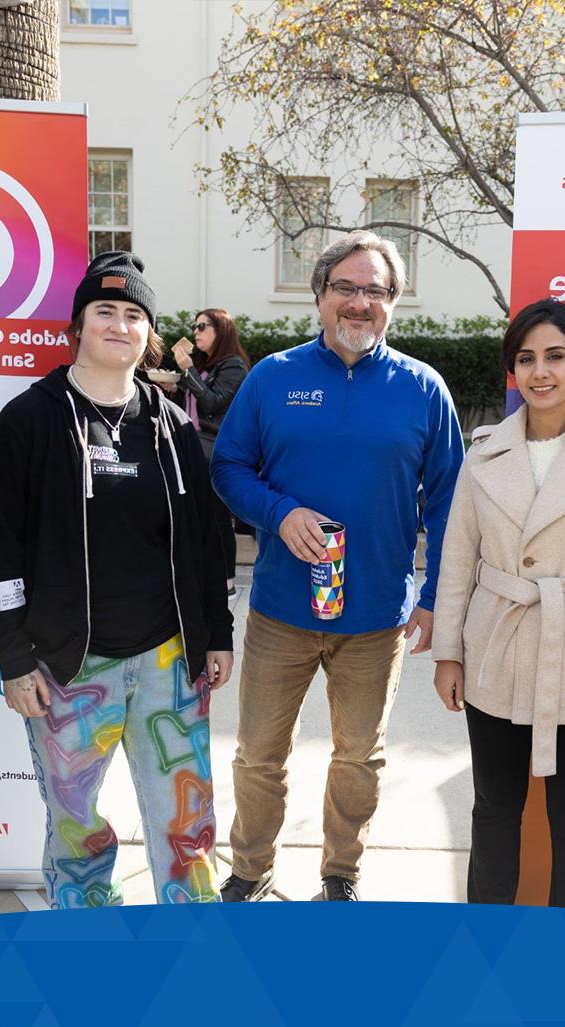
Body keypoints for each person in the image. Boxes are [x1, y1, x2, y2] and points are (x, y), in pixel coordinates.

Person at [211, 230, 464, 901]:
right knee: (259, 755)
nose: (360, 302)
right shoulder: (273, 378)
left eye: (375, 291)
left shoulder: (423, 390)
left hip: (376, 616)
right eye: (346, 288)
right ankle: (249, 871)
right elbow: (228, 467)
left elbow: (450, 504)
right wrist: (278, 512)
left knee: (359, 757)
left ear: (392, 304)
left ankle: (341, 872)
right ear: (320, 296)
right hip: (281, 611)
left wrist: (435, 595)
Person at [0, 251, 233, 907]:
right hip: (68, 665)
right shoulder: (30, 420)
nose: (120, 325)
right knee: (77, 829)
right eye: (105, 312)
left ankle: (195, 950)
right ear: (79, 326)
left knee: (187, 826)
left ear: (148, 333)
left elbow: (208, 540)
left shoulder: (172, 425)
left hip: (167, 659)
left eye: (134, 314)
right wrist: (13, 654)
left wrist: (218, 632)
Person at [432, 298, 565, 907]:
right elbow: (455, 564)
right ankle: (486, 945)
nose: (540, 372)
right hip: (495, 652)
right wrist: (448, 653)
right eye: (525, 359)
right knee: (493, 811)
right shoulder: (482, 456)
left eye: (556, 356)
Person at [172, 309, 250, 595]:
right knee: (198, 517)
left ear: (222, 330)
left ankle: (227, 580)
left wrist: (188, 370)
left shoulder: (233, 366)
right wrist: (175, 386)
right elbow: (190, 405)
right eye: (194, 326)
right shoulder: (206, 366)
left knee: (218, 518)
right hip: (192, 447)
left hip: (214, 452)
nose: (196, 332)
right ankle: (205, 574)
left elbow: (212, 404)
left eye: (203, 326)